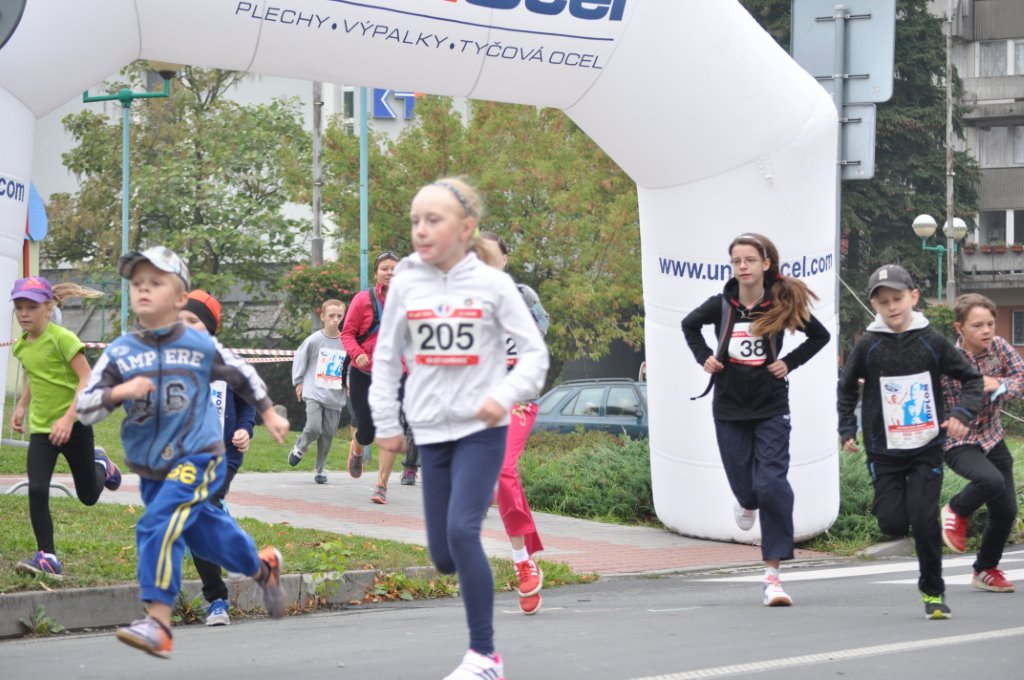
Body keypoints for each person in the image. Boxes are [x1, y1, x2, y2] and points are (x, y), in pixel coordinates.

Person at [369, 177, 549, 680]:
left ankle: (485, 657)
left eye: (434, 220)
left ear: (466, 227)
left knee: (462, 530)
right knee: (444, 555)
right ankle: (472, 600)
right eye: (416, 221)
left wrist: (503, 396)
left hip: (481, 429)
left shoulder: (495, 286)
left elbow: (535, 355)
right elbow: (385, 359)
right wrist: (387, 423)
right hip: (430, 431)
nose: (421, 230)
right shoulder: (407, 283)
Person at [77, 246, 291, 658]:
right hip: (153, 470)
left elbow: (242, 372)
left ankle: (158, 621)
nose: (143, 289)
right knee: (204, 535)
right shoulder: (121, 351)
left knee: (157, 524)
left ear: (179, 298)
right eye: (137, 283)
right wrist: (120, 392)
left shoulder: (197, 345)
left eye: (155, 282)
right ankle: (262, 567)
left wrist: (267, 412)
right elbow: (86, 408)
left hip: (199, 456)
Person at [681, 233, 829, 607]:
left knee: (772, 483)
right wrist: (705, 358)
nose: (742, 266)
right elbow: (688, 325)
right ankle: (745, 501)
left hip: (771, 405)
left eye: (749, 260)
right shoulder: (721, 304)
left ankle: (773, 577)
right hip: (729, 406)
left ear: (765, 264)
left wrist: (789, 363)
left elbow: (820, 336)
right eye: (736, 261)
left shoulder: (780, 303)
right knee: (748, 490)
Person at [838, 264, 983, 620]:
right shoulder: (868, 344)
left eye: (897, 298)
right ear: (875, 305)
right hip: (884, 450)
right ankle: (906, 518)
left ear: (913, 297)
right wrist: (847, 429)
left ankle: (933, 593)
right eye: (883, 301)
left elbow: (971, 379)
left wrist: (962, 414)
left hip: (926, 446)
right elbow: (846, 387)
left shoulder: (931, 340)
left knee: (924, 520)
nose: (892, 306)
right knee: (891, 522)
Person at [10, 276, 121, 579]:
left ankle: (102, 465)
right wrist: (21, 406)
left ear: (48, 308)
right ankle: (47, 556)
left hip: (75, 427)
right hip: (42, 431)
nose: (24, 314)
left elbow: (87, 379)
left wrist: (68, 418)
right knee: (36, 488)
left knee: (88, 496)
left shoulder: (64, 339)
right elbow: (34, 375)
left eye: (31, 307)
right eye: (19, 307)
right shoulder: (21, 347)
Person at [480, 230, 550, 616]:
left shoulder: (524, 297)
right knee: (499, 479)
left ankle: (521, 559)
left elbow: (539, 339)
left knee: (503, 470)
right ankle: (528, 554)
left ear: (505, 260)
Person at [179, 289, 258, 625]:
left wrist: (244, 429)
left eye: (193, 320)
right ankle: (219, 595)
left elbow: (246, 402)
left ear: (209, 327)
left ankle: (219, 596)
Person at [939, 293, 1022, 593]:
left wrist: (999, 384)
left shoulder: (1000, 347)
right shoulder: (947, 359)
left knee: (1006, 510)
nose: (986, 331)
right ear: (959, 328)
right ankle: (956, 510)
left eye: (990, 324)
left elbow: (1021, 380)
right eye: (977, 326)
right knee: (990, 480)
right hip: (958, 440)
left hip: (992, 436)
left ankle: (985, 568)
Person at [340, 251, 404, 503]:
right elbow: (347, 333)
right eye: (385, 268)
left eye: (394, 269)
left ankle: (381, 485)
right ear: (376, 273)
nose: (390, 273)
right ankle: (357, 447)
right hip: (364, 372)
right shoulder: (362, 300)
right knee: (367, 429)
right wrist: (357, 354)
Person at [287, 298, 347, 484]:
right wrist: (299, 382)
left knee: (327, 435)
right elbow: (300, 359)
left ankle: (320, 468)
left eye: (339, 316)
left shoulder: (346, 342)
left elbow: (350, 367)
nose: (335, 320)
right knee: (313, 427)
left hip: (335, 396)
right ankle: (301, 446)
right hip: (314, 392)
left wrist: (350, 384)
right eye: (331, 316)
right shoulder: (314, 340)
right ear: (323, 317)